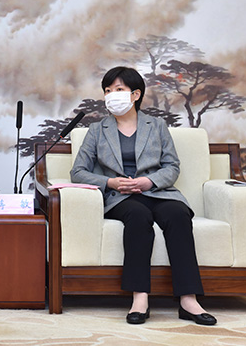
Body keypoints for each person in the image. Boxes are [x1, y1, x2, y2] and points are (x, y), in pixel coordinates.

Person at [70, 66, 216, 326]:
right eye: (107, 90)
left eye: (118, 89)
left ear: (135, 94)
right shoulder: (97, 130)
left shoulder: (156, 126)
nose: (111, 95)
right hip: (121, 198)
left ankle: (188, 299)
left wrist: (150, 181)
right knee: (138, 216)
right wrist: (110, 182)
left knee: (178, 215)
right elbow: (78, 172)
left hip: (158, 192)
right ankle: (140, 298)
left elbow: (172, 166)